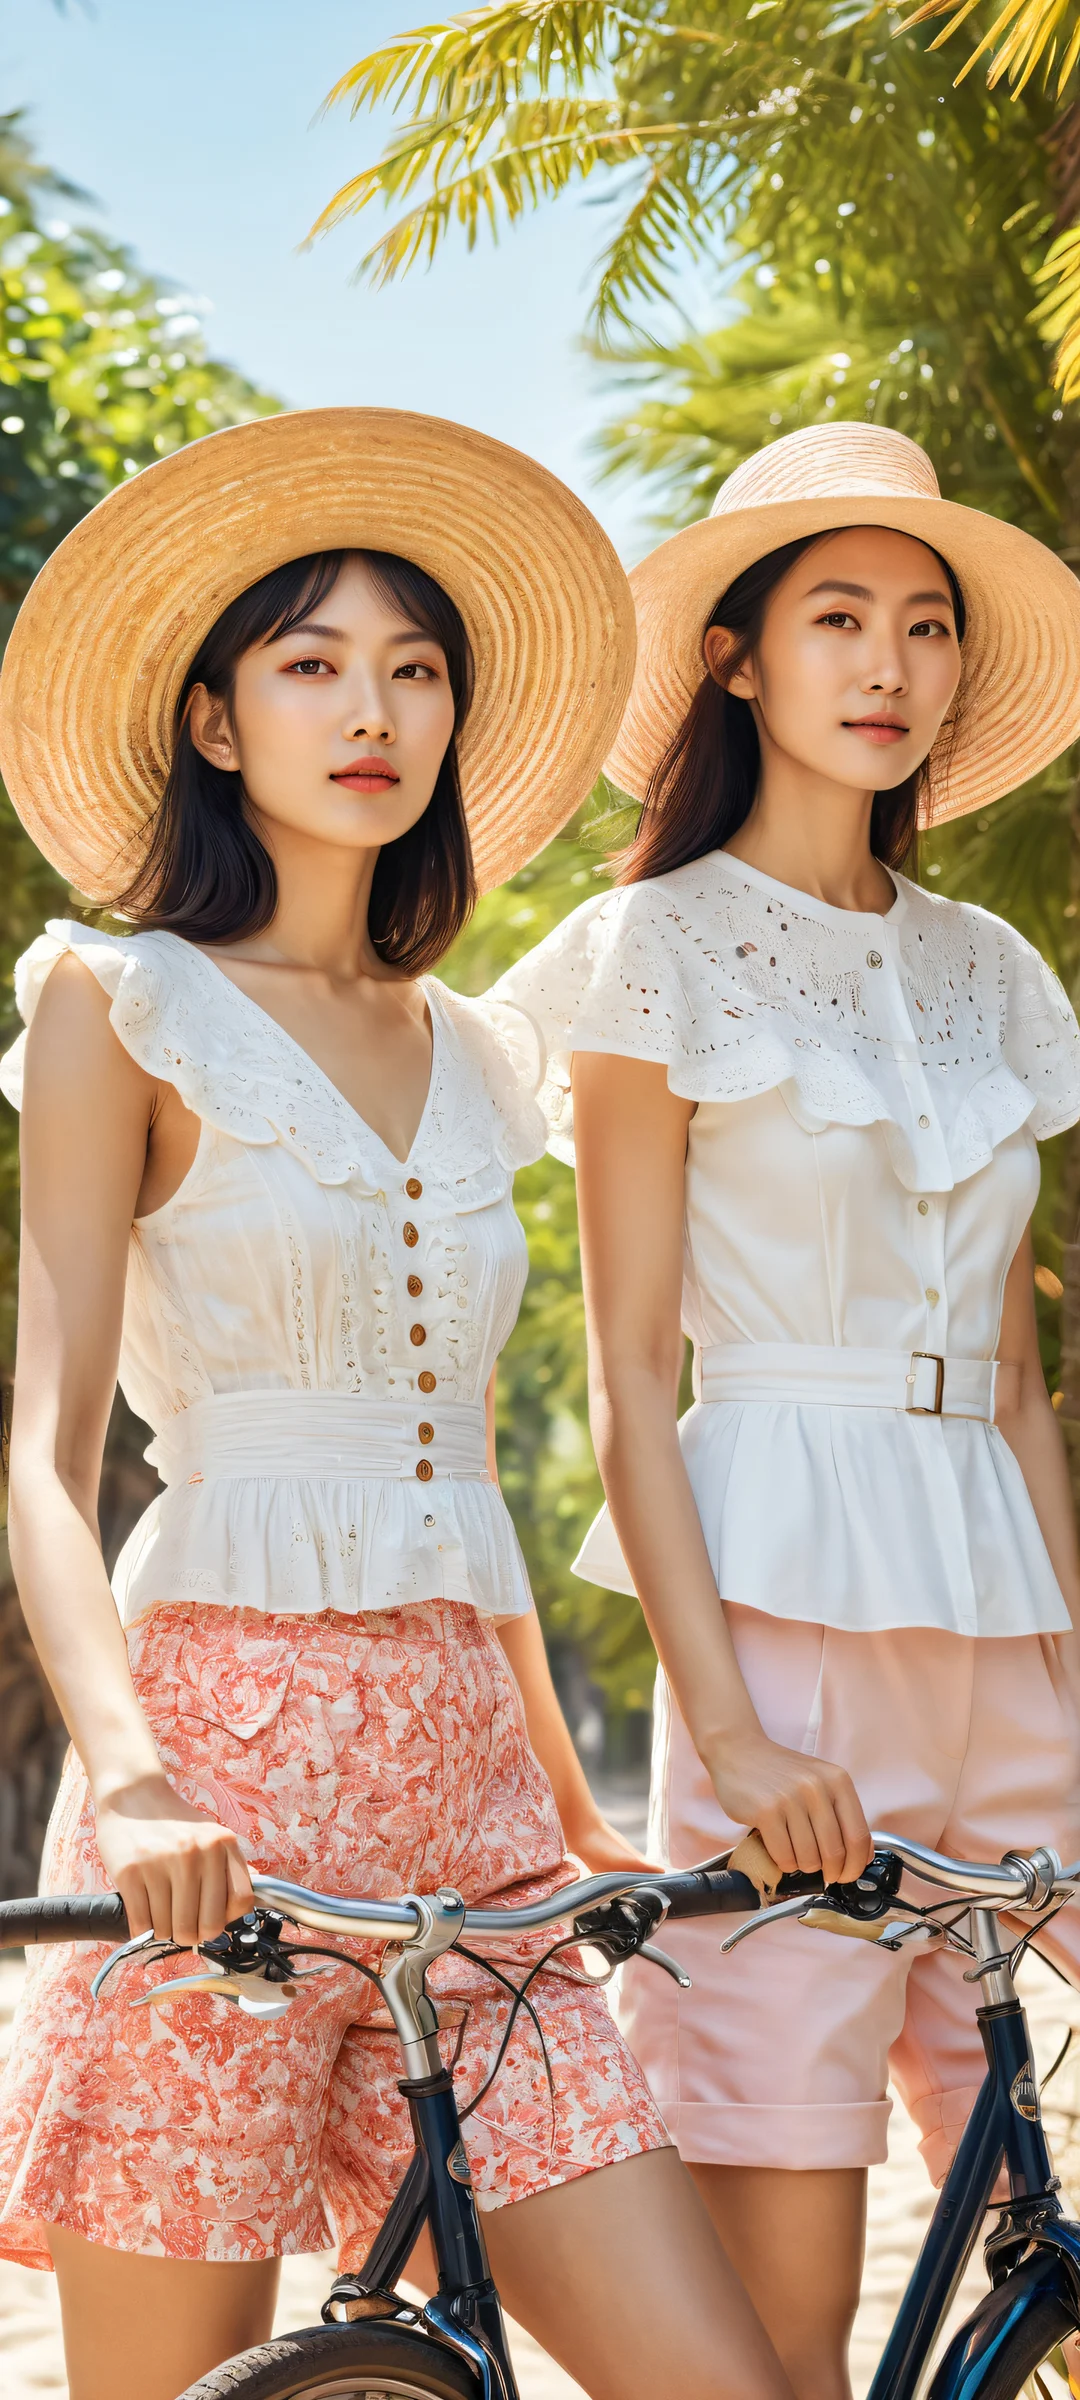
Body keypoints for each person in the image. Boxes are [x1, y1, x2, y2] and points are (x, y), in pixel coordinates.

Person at [0, 409, 795, 2400]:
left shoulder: (473, 1053)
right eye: (313, 662)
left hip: (476, 1819)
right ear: (212, 720)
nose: (375, 709)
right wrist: (140, 1776)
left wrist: (569, 1798)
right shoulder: (119, 1002)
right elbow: (46, 1444)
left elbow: (459, 1483)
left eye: (416, 668)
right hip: (221, 1793)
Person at [494, 420, 1080, 2400]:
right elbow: (634, 1387)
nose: (888, 665)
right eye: (837, 617)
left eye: (924, 626)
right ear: (740, 658)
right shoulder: (654, 955)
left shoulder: (998, 974)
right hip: (788, 1648)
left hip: (1006, 1639)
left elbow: (1017, 1384)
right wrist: (732, 1732)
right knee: (793, 2321)